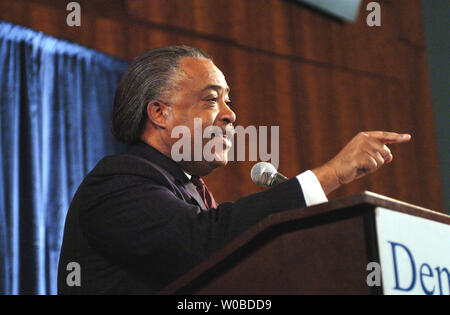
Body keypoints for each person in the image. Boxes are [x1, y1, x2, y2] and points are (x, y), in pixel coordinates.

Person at [57, 45, 411, 294]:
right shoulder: (118, 181)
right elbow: (206, 244)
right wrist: (333, 173)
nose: (230, 114)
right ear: (159, 113)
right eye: (212, 99)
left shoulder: (186, 187)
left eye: (228, 99)